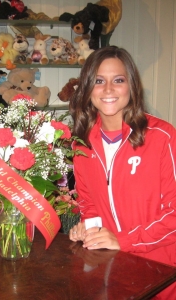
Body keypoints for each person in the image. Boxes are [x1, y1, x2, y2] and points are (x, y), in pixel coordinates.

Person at [68, 46, 176, 299]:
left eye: (118, 80)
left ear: (132, 86)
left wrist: (123, 240)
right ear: (86, 88)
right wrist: (89, 229)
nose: (108, 90)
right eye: (98, 81)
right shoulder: (81, 144)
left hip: (162, 274)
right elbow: (89, 203)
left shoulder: (163, 137)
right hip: (112, 272)